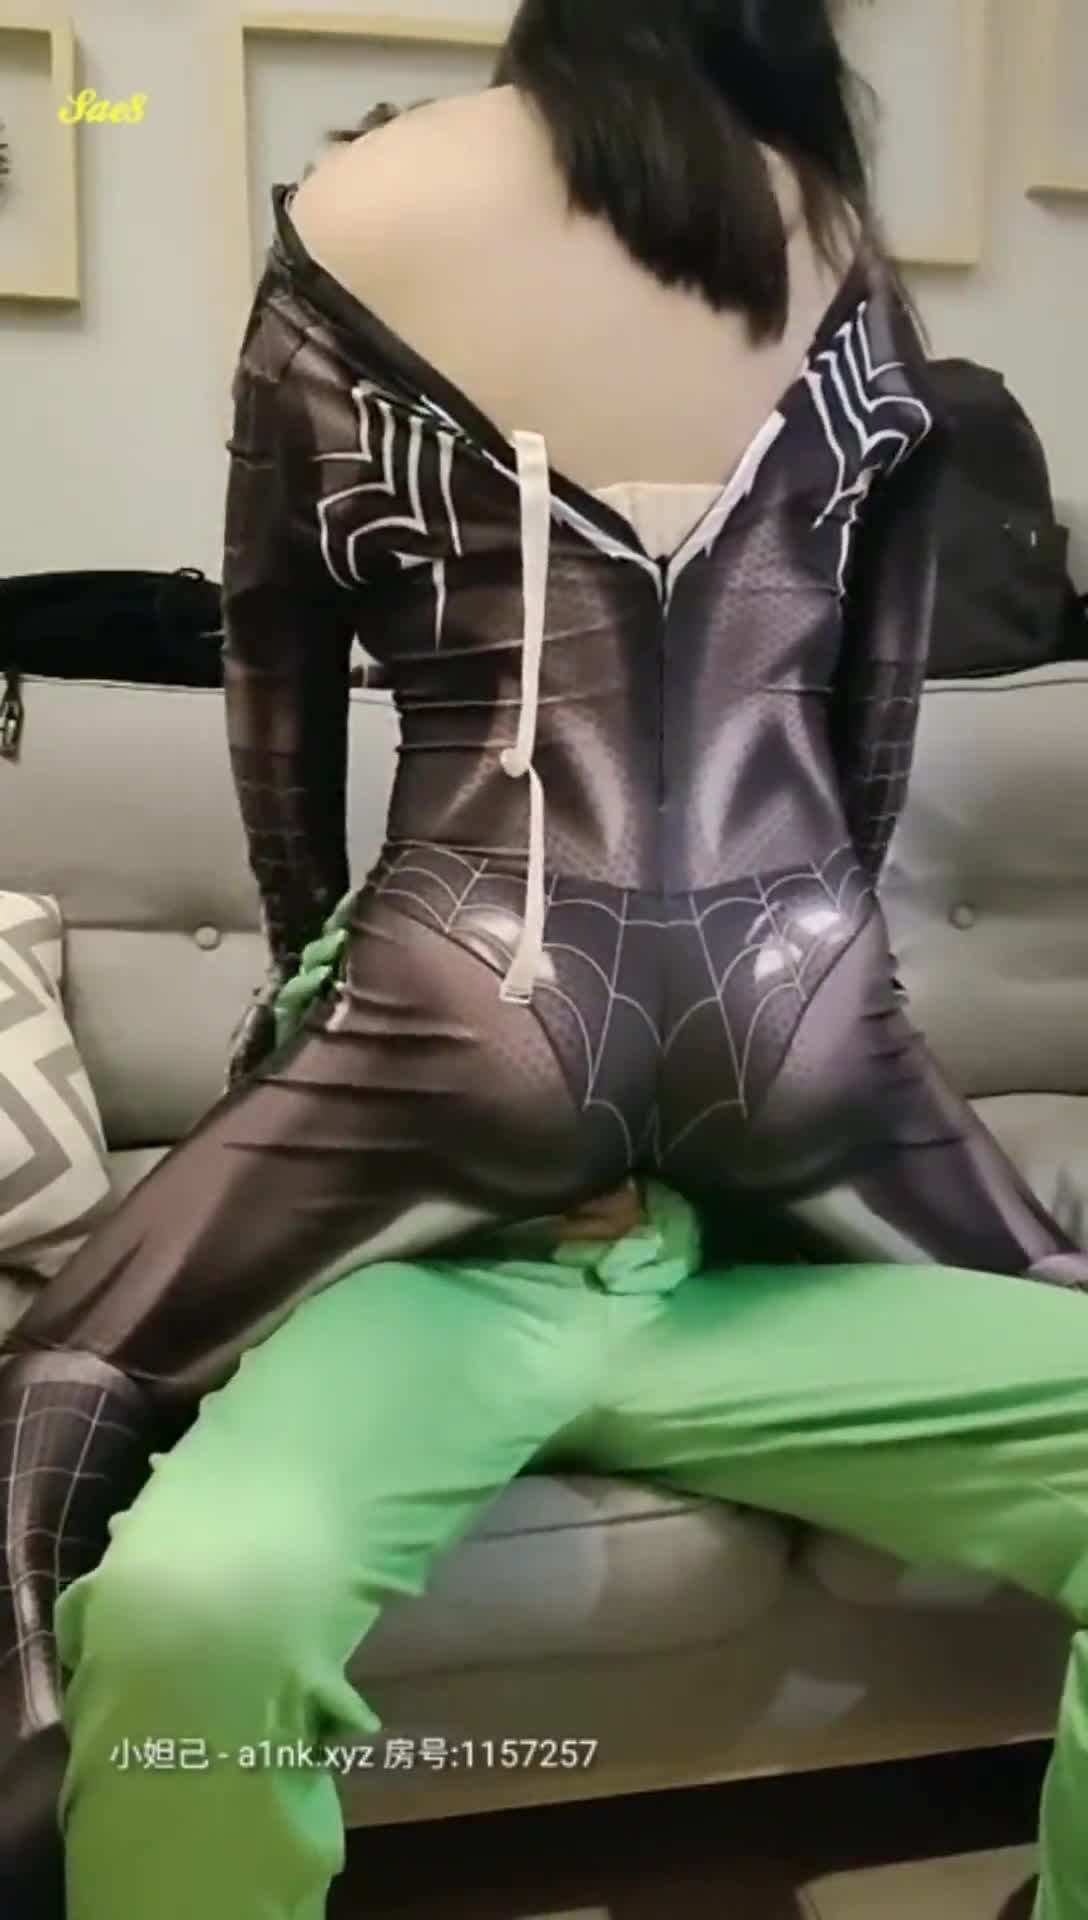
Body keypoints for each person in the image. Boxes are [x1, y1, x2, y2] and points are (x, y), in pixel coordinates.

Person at [1, 0, 1085, 1907]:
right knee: (198, 1605)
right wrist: (825, 986)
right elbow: (872, 735)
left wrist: (314, 992)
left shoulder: (364, 214)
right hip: (646, 1132)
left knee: (75, 1414)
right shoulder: (833, 241)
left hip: (554, 1104)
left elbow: (277, 687)